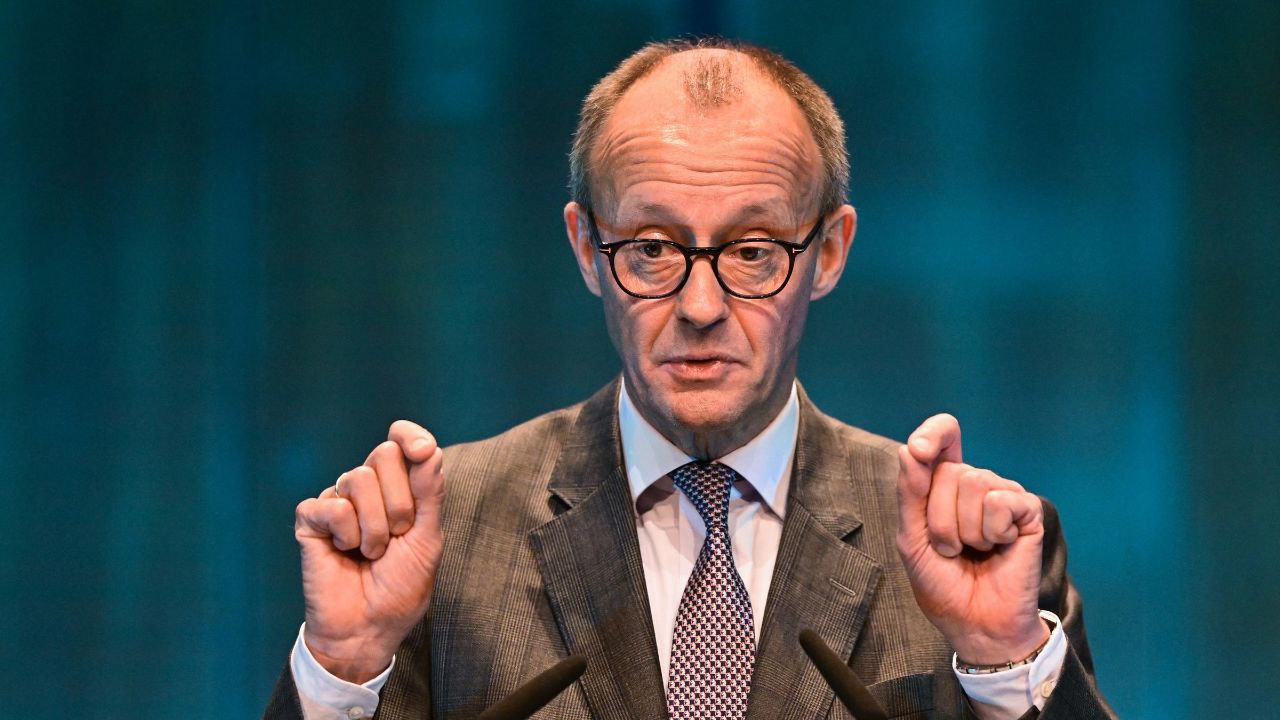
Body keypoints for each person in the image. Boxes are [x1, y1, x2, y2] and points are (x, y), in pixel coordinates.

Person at [265, 39, 1115, 719]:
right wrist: (344, 671)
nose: (700, 306)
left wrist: (1003, 666)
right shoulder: (441, 538)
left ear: (828, 252)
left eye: (752, 252)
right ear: (586, 248)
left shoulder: (968, 552)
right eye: (651, 250)